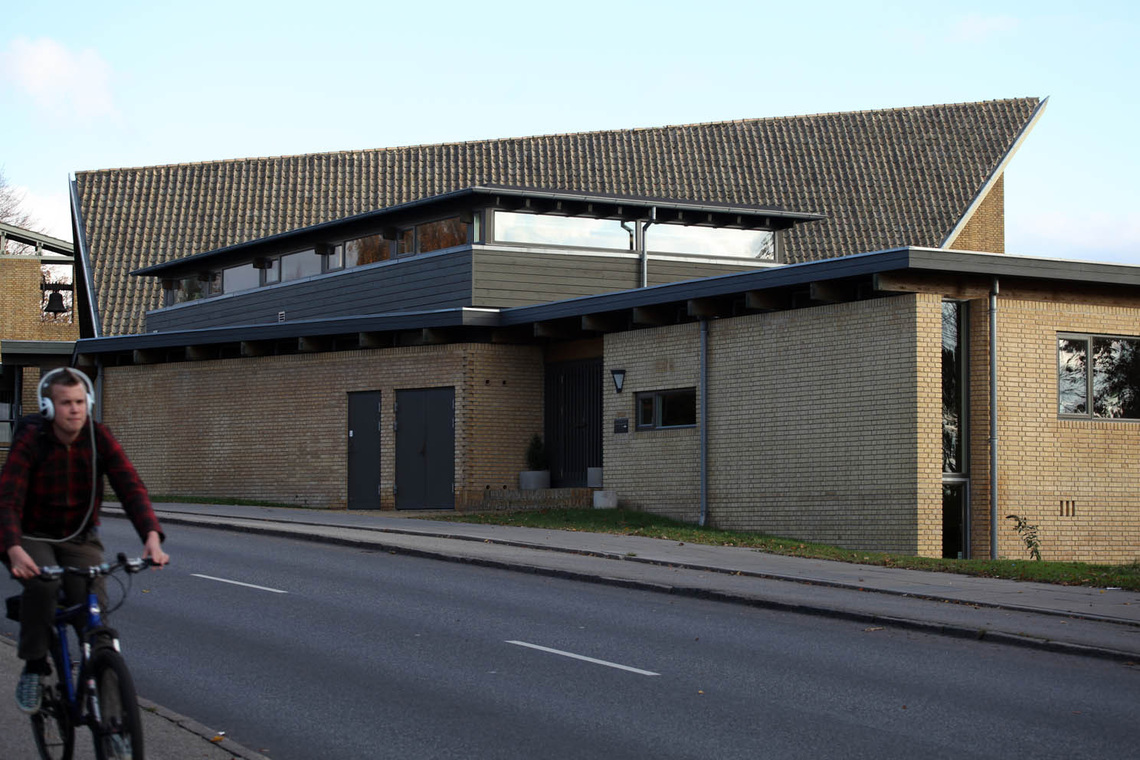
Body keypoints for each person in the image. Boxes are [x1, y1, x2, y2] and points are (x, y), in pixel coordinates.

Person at [0, 367, 169, 714]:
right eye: (66, 403)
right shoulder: (31, 440)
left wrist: (152, 536)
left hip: (79, 537)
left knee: (93, 611)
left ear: (88, 403)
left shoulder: (98, 437)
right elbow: (8, 500)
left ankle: (112, 715)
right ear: (49, 407)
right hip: (31, 535)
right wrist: (13, 548)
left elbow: (130, 487)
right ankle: (34, 666)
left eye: (80, 402)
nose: (74, 410)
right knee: (44, 584)